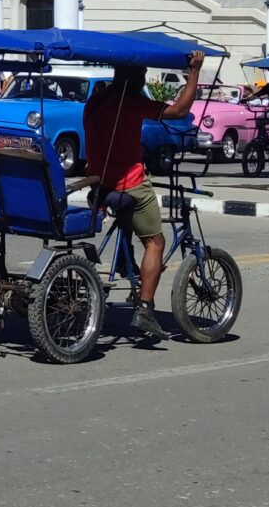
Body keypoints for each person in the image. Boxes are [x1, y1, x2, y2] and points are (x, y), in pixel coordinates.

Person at [84, 50, 207, 336]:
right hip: (128, 184)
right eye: (141, 73)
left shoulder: (96, 98)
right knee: (155, 242)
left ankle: (133, 273)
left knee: (129, 224)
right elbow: (179, 112)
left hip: (98, 184)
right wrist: (195, 72)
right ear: (135, 77)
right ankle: (145, 308)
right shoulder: (132, 101)